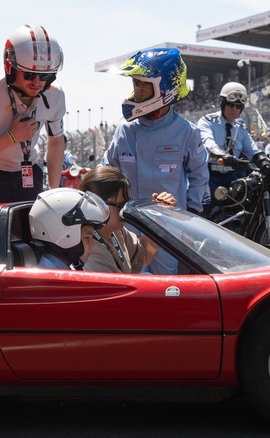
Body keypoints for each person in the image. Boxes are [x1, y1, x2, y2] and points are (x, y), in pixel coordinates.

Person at [101, 48, 208, 275]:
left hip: (168, 228)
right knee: (131, 284)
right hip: (127, 225)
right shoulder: (124, 130)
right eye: (136, 84)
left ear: (165, 89)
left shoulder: (186, 132)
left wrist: (190, 219)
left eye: (144, 86)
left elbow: (199, 178)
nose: (137, 91)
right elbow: (105, 174)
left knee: (164, 287)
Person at [0, 24, 66, 209]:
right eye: (29, 74)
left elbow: (56, 141)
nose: (37, 82)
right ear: (11, 68)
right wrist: (11, 137)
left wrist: (53, 191)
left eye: (44, 76)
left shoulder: (55, 95)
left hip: (28, 174)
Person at [77, 165, 174, 274]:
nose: (126, 210)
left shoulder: (115, 231)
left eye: (128, 204)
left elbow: (143, 256)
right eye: (121, 205)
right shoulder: (90, 250)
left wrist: (160, 216)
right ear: (98, 205)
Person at [196, 82, 259, 217]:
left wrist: (264, 159)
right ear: (223, 103)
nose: (234, 109)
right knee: (207, 205)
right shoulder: (207, 122)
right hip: (211, 176)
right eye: (230, 105)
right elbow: (208, 144)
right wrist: (224, 156)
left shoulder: (240, 128)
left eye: (238, 106)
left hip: (233, 177)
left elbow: (253, 151)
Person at [28, 187, 109, 270]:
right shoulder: (50, 275)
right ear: (65, 235)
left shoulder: (58, 268)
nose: (93, 244)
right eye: (87, 238)